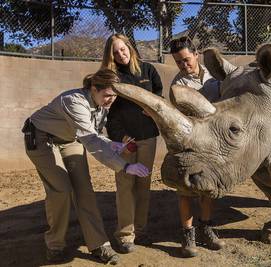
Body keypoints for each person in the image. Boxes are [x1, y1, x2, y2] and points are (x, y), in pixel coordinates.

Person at [22, 69, 150, 264]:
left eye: (114, 96)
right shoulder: (74, 101)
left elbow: (95, 135)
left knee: (85, 191)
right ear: (93, 89)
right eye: (107, 95)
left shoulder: (101, 104)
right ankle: (55, 244)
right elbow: (90, 140)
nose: (111, 100)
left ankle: (99, 245)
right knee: (61, 190)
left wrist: (111, 144)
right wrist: (124, 167)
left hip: (70, 140)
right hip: (42, 139)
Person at [101, 33, 163, 253]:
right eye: (115, 52)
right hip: (125, 141)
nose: (121, 54)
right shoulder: (112, 77)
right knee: (125, 185)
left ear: (130, 47)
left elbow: (158, 94)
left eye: (123, 49)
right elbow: (110, 113)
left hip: (148, 137)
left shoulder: (148, 71)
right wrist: (119, 137)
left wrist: (153, 109)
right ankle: (125, 235)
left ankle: (142, 230)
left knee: (143, 185)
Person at [169, 36, 226, 257]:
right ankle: (188, 235)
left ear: (195, 54)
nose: (184, 65)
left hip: (214, 139)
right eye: (178, 62)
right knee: (185, 189)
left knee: (208, 187)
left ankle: (207, 228)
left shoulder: (215, 74)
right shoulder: (178, 84)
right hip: (190, 140)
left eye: (186, 59)